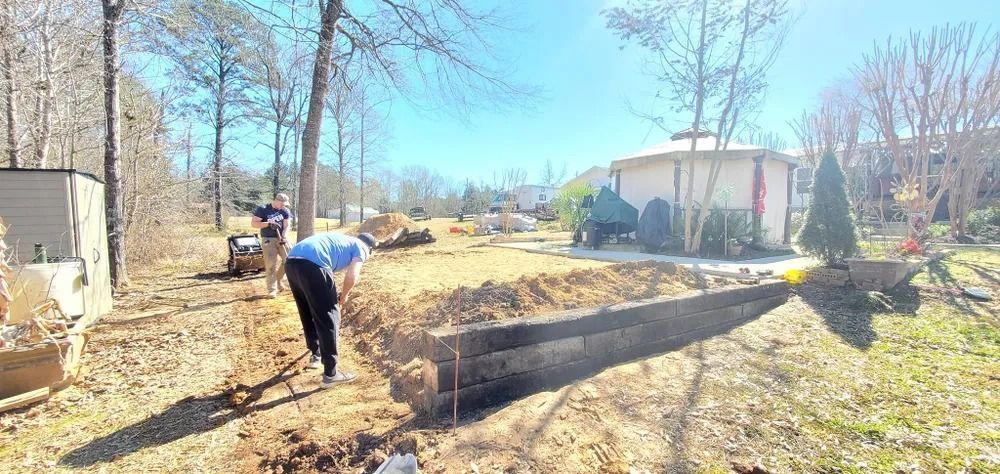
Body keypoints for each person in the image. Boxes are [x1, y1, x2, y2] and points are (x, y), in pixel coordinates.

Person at [285, 232, 377, 388]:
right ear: (370, 248)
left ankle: (316, 353)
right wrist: (344, 296)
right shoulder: (362, 248)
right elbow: (352, 275)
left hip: (292, 262)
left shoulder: (345, 240)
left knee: (306, 310)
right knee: (329, 317)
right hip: (313, 264)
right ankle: (331, 374)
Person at [251, 193, 292, 298]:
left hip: (281, 239)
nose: (283, 206)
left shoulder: (285, 211)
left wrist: (284, 236)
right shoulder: (263, 209)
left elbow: (286, 225)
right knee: (270, 265)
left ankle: (278, 280)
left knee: (289, 260)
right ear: (276, 201)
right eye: (282, 204)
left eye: (284, 204)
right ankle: (272, 290)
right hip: (268, 240)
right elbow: (254, 224)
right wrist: (268, 224)